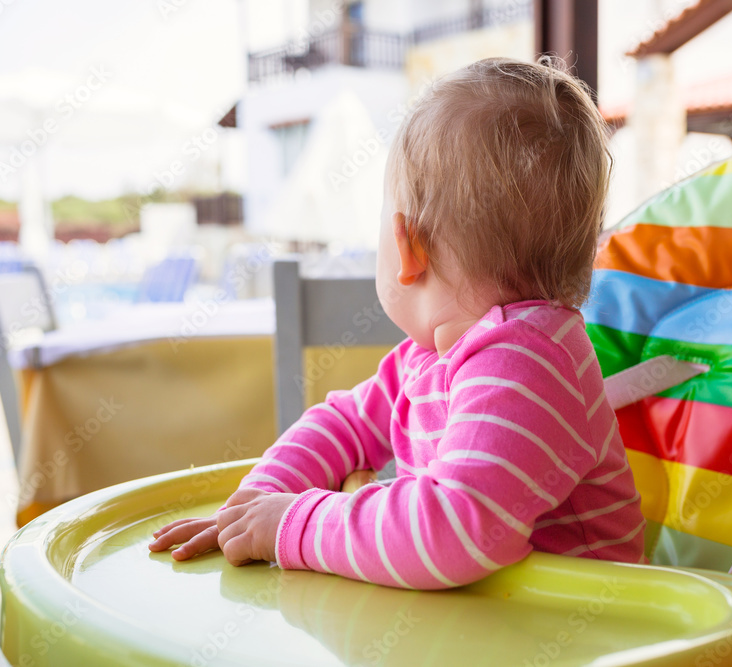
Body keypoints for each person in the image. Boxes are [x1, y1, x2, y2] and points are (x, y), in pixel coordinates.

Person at [150, 57, 645, 589]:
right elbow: (344, 423)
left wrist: (293, 526)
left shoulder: (527, 365)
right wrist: (259, 503)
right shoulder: (428, 358)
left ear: (409, 247)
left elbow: (451, 534)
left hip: (583, 631)